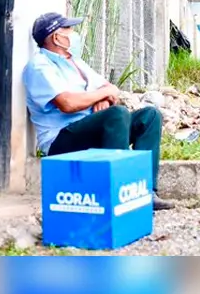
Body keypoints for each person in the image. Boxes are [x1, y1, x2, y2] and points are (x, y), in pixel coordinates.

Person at [23, 12, 173, 210]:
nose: (73, 33)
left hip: (91, 129)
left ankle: (146, 192)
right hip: (61, 140)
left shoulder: (75, 62)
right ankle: (118, 192)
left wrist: (103, 98)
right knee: (117, 114)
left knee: (150, 116)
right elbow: (67, 103)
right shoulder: (39, 66)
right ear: (56, 37)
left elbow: (111, 89)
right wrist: (102, 95)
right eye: (68, 29)